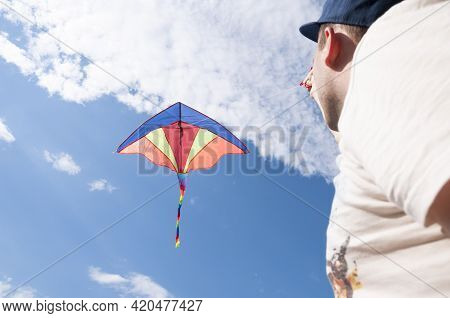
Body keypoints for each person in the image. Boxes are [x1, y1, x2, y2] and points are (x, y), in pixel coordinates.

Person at [299, 0, 450, 297]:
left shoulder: (384, 53)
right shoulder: (373, 111)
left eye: (311, 62)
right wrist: (326, 97)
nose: (309, 77)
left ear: (329, 42)